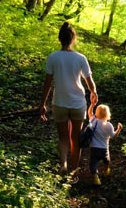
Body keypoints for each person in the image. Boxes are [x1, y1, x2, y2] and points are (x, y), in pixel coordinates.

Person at [40, 22, 97, 175]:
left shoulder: (53, 57)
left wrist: (42, 104)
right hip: (78, 103)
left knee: (63, 137)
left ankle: (63, 165)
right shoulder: (80, 58)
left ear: (60, 38)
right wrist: (94, 93)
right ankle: (74, 171)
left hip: (59, 103)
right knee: (76, 138)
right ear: (73, 39)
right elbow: (90, 82)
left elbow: (47, 84)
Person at [85, 100, 123, 185]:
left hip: (94, 148)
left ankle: (95, 177)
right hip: (104, 149)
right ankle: (106, 170)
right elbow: (113, 136)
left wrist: (92, 104)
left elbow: (89, 112)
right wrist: (119, 129)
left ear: (96, 113)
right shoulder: (108, 125)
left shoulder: (93, 121)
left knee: (93, 163)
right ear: (108, 114)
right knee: (107, 161)